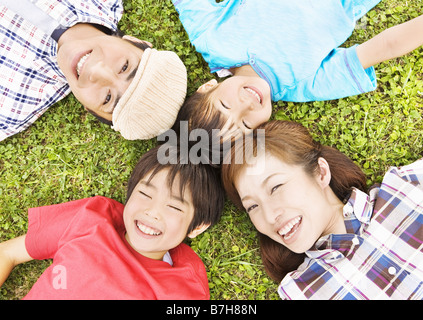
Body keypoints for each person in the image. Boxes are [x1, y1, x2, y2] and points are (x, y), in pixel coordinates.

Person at [221, 120, 423, 300]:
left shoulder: (407, 184)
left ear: (321, 172)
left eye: (275, 187)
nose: (269, 216)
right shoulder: (301, 292)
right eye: (252, 206)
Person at [0, 144, 225, 299]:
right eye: (145, 194)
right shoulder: (91, 218)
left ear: (197, 227)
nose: (152, 211)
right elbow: (8, 253)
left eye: (174, 207)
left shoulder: (183, 287)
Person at [173, 0, 423, 134]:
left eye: (226, 106)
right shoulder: (303, 84)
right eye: (246, 125)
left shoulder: (212, 39)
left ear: (207, 88)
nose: (247, 106)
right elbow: (386, 46)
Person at [0, 0, 187, 141]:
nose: (96, 70)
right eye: (124, 66)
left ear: (89, 109)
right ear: (136, 41)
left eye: (108, 98)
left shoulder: (9, 106)